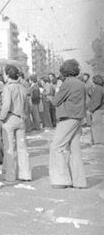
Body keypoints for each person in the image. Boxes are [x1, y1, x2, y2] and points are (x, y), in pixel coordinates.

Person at [48, 59, 87, 189]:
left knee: (57, 147)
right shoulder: (81, 83)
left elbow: (55, 101)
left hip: (67, 117)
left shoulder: (67, 83)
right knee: (74, 149)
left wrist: (57, 89)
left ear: (65, 71)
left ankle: (61, 180)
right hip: (78, 118)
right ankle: (79, 181)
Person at [0, 64, 31, 182]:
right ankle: (25, 174)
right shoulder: (22, 87)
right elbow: (27, 105)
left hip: (10, 119)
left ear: (7, 75)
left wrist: (2, 117)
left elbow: (6, 105)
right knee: (22, 148)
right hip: (21, 119)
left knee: (9, 148)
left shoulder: (8, 88)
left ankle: (10, 175)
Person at [88, 74, 104, 144]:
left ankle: (98, 142)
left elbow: (97, 102)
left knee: (97, 126)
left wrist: (90, 109)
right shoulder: (102, 88)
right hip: (101, 109)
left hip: (98, 110)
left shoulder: (98, 89)